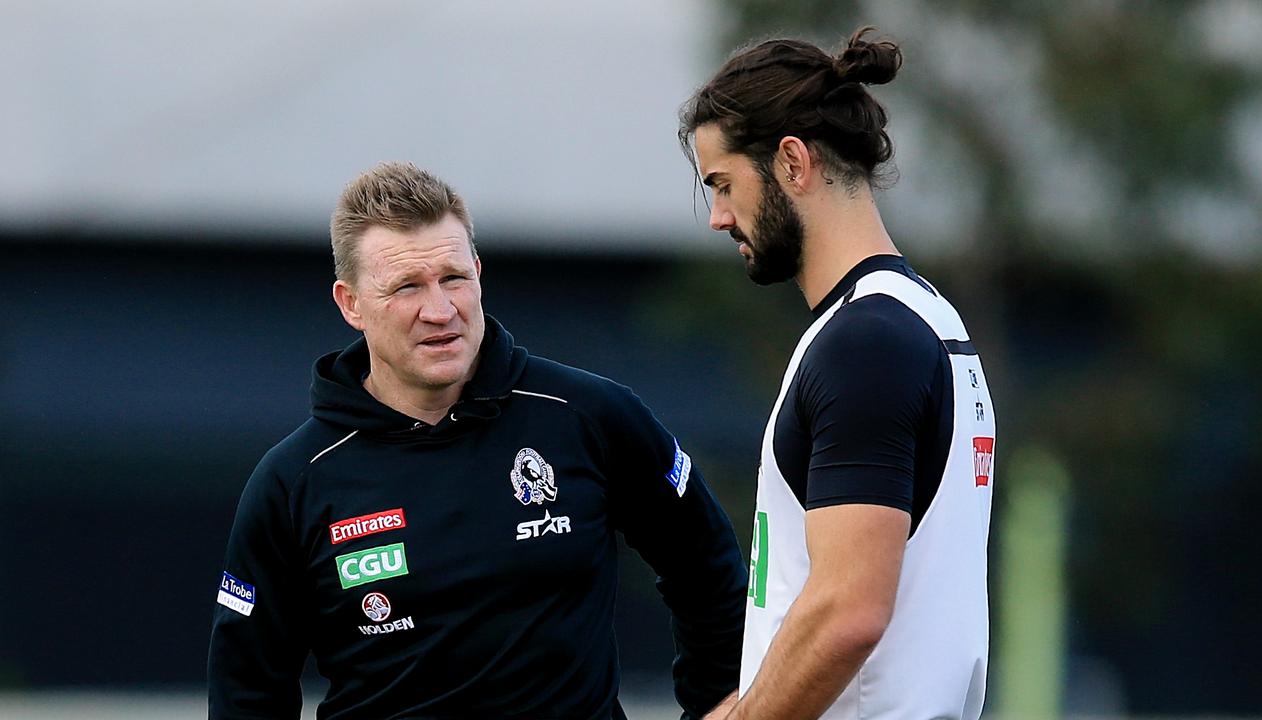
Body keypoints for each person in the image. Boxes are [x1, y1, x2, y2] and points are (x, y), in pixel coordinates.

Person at [207, 162, 746, 720]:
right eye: (406, 287)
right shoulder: (294, 480)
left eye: (453, 278)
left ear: (479, 274)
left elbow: (706, 564)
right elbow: (247, 688)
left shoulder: (589, 415)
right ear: (350, 304)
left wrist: (713, 705)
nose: (440, 311)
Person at [676, 28, 997, 719]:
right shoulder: (925, 318)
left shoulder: (867, 342)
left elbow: (849, 611)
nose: (719, 218)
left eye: (723, 185)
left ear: (792, 161)